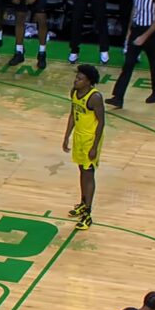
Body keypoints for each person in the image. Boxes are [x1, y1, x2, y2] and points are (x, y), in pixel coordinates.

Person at [107, 0, 155, 108]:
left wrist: (144, 36)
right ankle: (118, 97)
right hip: (137, 29)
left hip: (152, 33)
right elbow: (134, 10)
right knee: (127, 65)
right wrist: (129, 30)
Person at [62, 64, 105, 231]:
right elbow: (73, 114)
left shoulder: (95, 97)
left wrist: (94, 146)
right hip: (79, 136)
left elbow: (101, 122)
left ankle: (88, 213)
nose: (76, 81)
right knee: (82, 170)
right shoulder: (74, 92)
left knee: (88, 173)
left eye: (80, 79)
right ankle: (82, 202)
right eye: (76, 77)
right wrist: (66, 136)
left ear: (89, 82)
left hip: (91, 138)